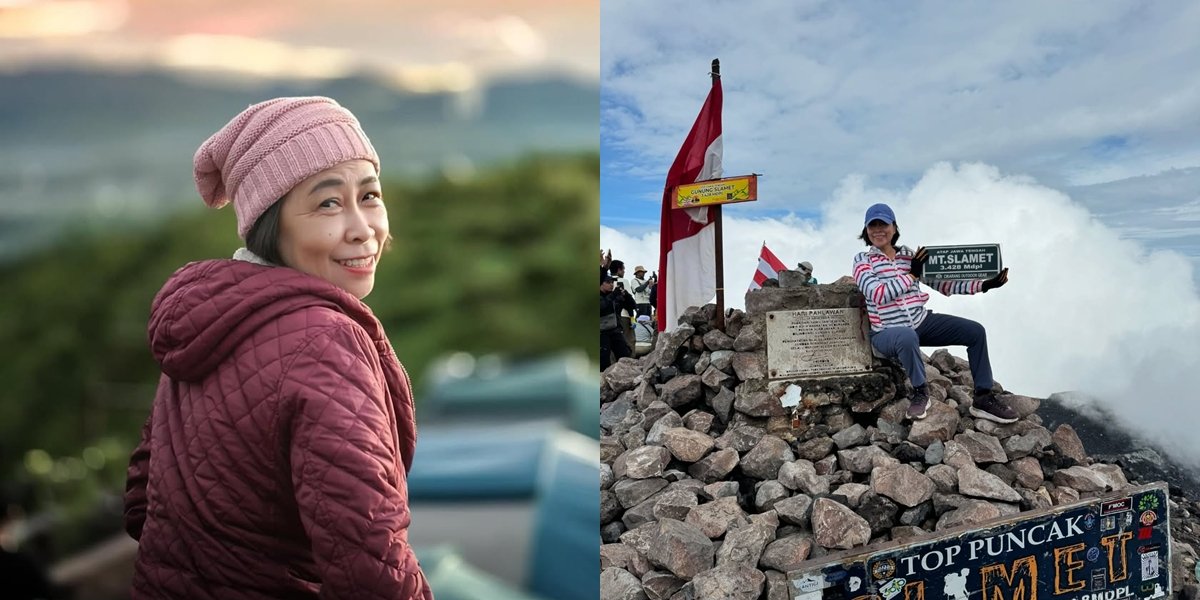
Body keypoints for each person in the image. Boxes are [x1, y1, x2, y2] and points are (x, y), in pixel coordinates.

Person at [123, 97, 432, 599]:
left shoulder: (213, 317)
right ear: (269, 225)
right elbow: (370, 568)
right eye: (328, 203)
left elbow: (141, 502)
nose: (362, 228)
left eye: (370, 195)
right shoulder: (324, 340)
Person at [852, 203, 1015, 424]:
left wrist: (984, 285)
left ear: (894, 227)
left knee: (975, 332)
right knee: (906, 336)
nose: (878, 230)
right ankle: (920, 391)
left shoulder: (910, 256)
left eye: (884, 224)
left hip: (921, 322)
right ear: (866, 230)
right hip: (886, 333)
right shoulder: (862, 261)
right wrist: (912, 275)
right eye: (873, 225)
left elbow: (944, 285)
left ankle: (983, 398)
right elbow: (878, 294)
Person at [601, 274, 634, 370]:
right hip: (601, 333)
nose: (611, 285)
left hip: (615, 330)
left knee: (625, 356)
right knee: (603, 361)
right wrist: (613, 295)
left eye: (612, 282)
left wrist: (626, 295)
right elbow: (602, 307)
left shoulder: (614, 295)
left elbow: (632, 305)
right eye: (608, 282)